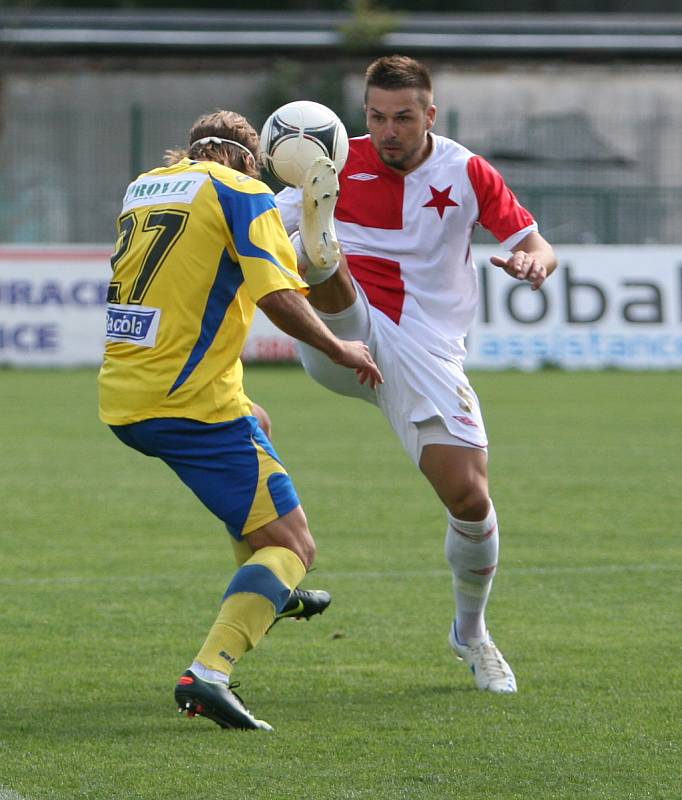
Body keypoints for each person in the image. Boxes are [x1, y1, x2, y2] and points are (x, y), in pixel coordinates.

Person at [275, 55, 557, 693]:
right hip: (346, 331)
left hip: (427, 350)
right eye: (376, 117)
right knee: (317, 257)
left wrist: (533, 263)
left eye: (403, 117)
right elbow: (259, 229)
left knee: (469, 497)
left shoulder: (465, 170)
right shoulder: (333, 158)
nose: (387, 130)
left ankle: (471, 633)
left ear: (431, 114)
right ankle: (321, 255)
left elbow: (537, 244)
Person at [97, 109, 382, 730]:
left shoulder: (144, 185)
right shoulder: (243, 191)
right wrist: (340, 347)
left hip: (127, 391)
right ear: (254, 159)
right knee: (294, 545)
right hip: (185, 403)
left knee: (259, 422)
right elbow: (278, 294)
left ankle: (268, 588)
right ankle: (211, 672)